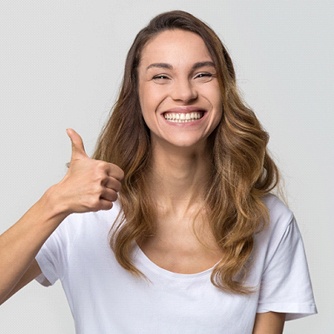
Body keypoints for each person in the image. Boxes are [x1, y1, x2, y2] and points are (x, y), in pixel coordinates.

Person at [0, 10, 316, 334]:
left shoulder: (268, 223)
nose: (183, 93)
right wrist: (54, 202)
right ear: (136, 94)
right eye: (161, 76)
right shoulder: (84, 215)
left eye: (203, 74)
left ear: (225, 89)